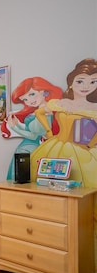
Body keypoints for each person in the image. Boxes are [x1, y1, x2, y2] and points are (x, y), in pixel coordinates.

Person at [29, 58, 97, 186]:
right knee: (44, 179)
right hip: (57, 144)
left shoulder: (93, 107)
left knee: (83, 183)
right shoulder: (62, 103)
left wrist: (92, 143)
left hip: (84, 149)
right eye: (80, 81)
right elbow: (39, 112)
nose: (86, 86)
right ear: (71, 83)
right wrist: (48, 131)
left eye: (93, 82)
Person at [1, 77, 63, 181]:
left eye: (32, 94)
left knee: (21, 180)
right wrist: (18, 124)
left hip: (30, 148)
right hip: (29, 147)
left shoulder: (45, 112)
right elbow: (32, 130)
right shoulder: (39, 110)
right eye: (25, 99)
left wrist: (14, 127)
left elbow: (34, 135)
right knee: (21, 180)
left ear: (43, 91)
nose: (29, 101)